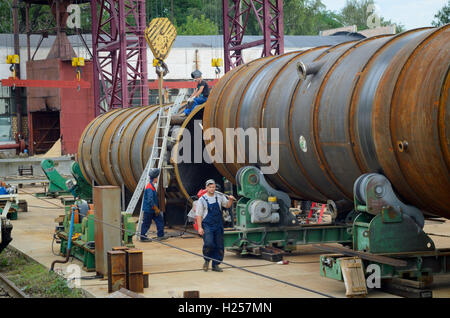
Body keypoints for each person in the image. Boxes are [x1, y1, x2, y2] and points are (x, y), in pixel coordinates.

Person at [196, 179, 236, 272]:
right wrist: (200, 227)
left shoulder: (219, 196)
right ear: (206, 188)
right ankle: (206, 260)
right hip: (207, 225)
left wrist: (230, 200)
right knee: (209, 243)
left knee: (219, 245)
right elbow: (199, 215)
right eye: (210, 187)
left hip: (218, 224)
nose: (212, 189)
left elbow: (227, 206)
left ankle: (216, 265)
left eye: (213, 187)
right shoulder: (202, 200)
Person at [140, 168, 167, 242]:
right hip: (149, 210)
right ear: (155, 178)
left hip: (152, 210)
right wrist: (156, 209)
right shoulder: (149, 187)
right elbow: (150, 200)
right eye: (157, 177)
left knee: (160, 220)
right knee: (146, 223)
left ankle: (160, 235)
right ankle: (143, 237)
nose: (157, 178)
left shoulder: (151, 186)